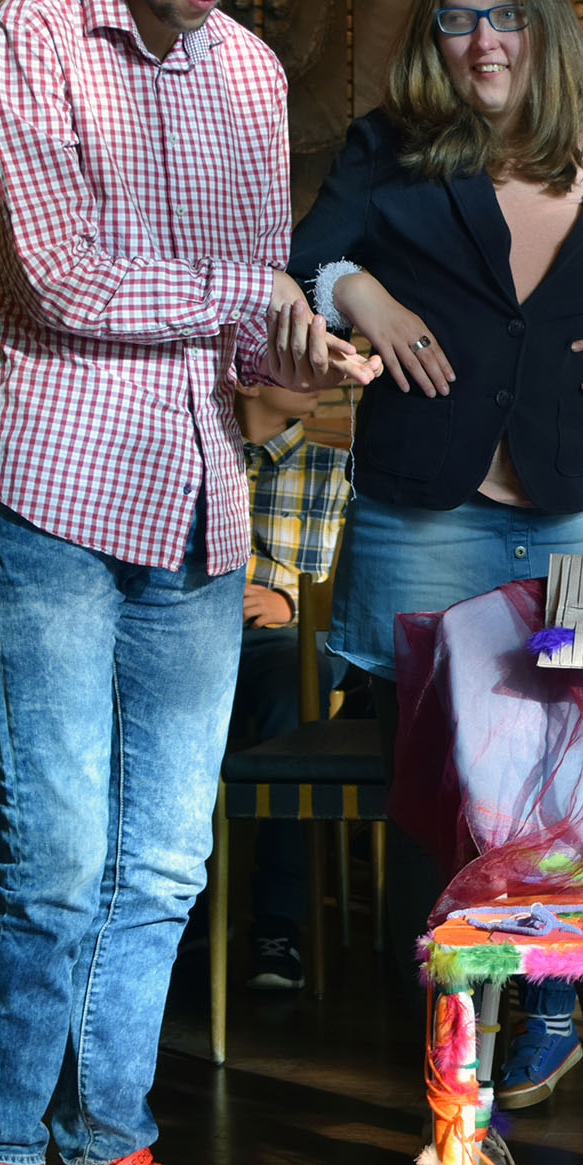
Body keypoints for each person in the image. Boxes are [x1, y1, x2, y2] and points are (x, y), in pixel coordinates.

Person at [0, 0, 379, 1165]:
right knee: (55, 865)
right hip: (57, 496)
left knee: (165, 868)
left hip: (197, 499)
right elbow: (61, 281)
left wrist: (301, 357)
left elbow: (246, 316)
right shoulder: (32, 40)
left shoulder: (251, 72)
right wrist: (248, 299)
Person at [288, 0, 583, 1165]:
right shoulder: (388, 146)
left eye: (506, 15)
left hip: (582, 512)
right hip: (427, 517)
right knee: (442, 819)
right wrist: (362, 296)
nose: (483, 41)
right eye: (460, 17)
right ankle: (460, 1128)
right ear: (435, 34)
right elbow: (306, 259)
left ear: (543, 27)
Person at [230, 379, 349, 989]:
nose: (320, 374)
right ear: (250, 374)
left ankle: (277, 923)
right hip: (197, 634)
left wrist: (292, 605)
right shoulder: (200, 456)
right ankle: (184, 912)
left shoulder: (339, 470)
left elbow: (356, 580)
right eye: (297, 361)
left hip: (300, 640)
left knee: (289, 690)